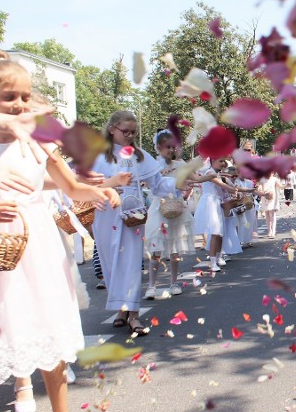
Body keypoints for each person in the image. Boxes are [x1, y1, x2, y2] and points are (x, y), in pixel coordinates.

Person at [0, 48, 120, 412]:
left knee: (47, 335)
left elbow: (70, 189)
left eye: (26, 96)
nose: (21, 106)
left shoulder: (39, 145)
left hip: (40, 248)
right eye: (10, 97)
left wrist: (101, 194)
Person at [92, 110, 178, 335]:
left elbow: (158, 183)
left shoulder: (139, 156)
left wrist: (180, 180)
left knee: (130, 263)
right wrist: (102, 190)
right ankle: (121, 309)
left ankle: (134, 315)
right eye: (125, 131)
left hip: (132, 215)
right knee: (110, 264)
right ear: (112, 129)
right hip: (105, 213)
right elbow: (81, 183)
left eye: (133, 132)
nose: (129, 136)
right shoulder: (97, 154)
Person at [144, 130, 208, 299]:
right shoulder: (152, 165)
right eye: (167, 147)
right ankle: (152, 285)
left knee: (174, 250)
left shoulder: (180, 165)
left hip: (177, 209)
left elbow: (194, 178)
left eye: (173, 147)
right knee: (156, 248)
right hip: (159, 209)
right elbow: (147, 183)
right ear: (158, 147)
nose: (171, 150)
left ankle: (173, 283)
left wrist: (209, 176)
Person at [193, 157, 233, 271]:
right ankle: (212, 261)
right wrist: (230, 188)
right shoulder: (210, 172)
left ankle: (219, 256)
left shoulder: (217, 173)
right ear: (212, 161)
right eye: (220, 160)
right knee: (215, 232)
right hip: (210, 202)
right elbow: (220, 184)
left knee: (220, 233)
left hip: (217, 202)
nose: (223, 162)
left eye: (223, 160)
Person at [260, 172, 285, 238]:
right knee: (267, 214)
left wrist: (286, 185)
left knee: (272, 214)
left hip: (273, 198)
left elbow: (281, 187)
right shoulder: (263, 179)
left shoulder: (274, 179)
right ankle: (269, 230)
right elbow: (260, 188)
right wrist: (263, 193)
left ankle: (273, 231)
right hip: (265, 197)